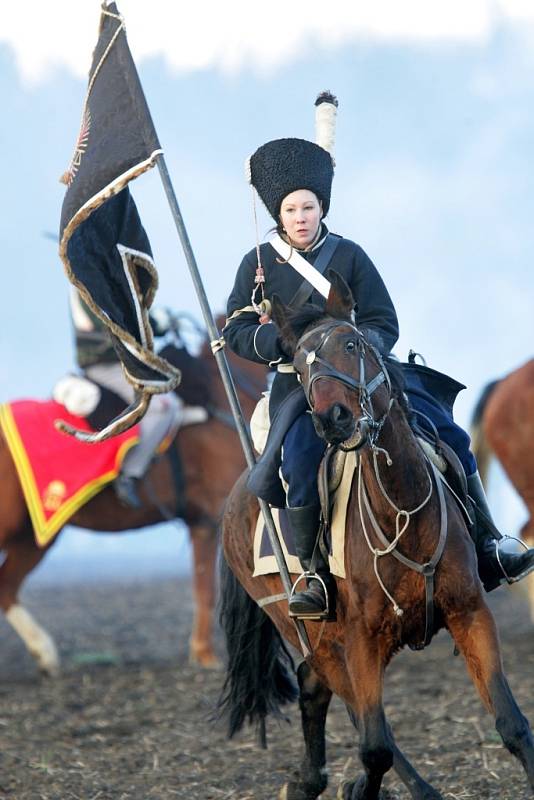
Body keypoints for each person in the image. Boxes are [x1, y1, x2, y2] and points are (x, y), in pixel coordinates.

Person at [224, 91, 534, 618]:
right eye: (291, 209)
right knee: (297, 461)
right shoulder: (257, 263)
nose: (301, 217)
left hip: (367, 375)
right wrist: (277, 343)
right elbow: (235, 327)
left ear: (322, 208)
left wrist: (359, 353)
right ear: (279, 214)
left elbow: (383, 319)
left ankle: (488, 542)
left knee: (451, 436)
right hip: (296, 383)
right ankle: (316, 578)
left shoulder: (350, 254)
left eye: (309, 207)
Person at [59, 288, 182, 510]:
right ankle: (129, 473)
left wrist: (155, 322)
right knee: (165, 406)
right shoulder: (88, 282)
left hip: (119, 363)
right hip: (106, 365)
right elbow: (117, 325)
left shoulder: (96, 276)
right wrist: (156, 325)